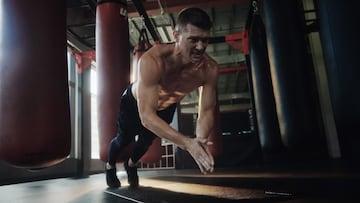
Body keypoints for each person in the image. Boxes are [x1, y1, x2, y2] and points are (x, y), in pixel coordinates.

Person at [105, 7, 219, 188]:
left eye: (205, 40)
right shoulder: (153, 60)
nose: (200, 47)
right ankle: (110, 166)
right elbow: (146, 117)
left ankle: (132, 165)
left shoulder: (209, 69)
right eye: (194, 40)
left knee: (144, 143)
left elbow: (206, 111)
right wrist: (187, 144)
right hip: (135, 105)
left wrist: (201, 140)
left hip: (166, 106)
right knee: (123, 140)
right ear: (176, 35)